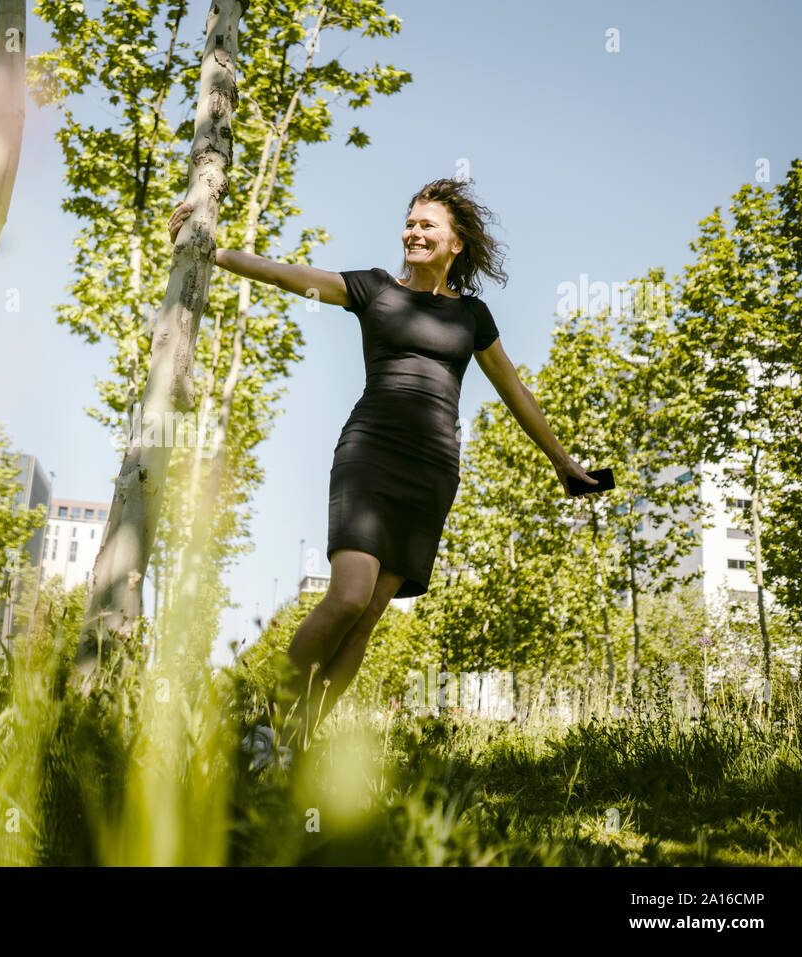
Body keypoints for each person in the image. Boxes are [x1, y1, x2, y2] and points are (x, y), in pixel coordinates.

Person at [168, 178, 598, 751]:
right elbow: (290, 276)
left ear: (457, 244)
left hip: (433, 470)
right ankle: (265, 731)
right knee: (347, 596)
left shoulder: (473, 316)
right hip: (370, 452)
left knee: (368, 616)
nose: (414, 233)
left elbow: (513, 388)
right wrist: (212, 251)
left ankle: (298, 746)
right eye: (411, 223)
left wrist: (562, 462)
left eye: (429, 226)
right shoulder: (374, 289)